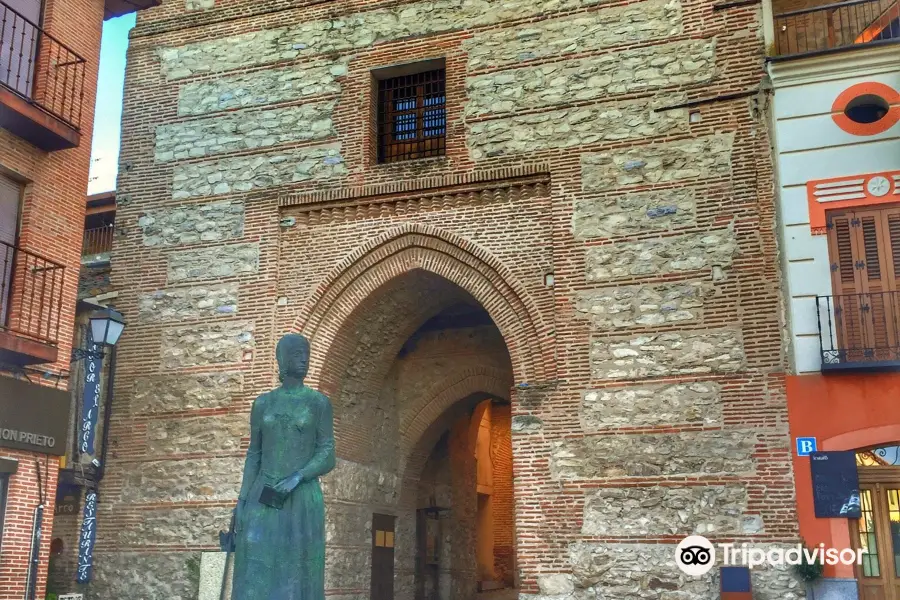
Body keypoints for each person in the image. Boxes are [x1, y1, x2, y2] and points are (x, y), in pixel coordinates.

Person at [230, 333, 336, 600]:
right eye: (298, 354)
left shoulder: (318, 403)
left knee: (297, 567)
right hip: (262, 493)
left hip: (301, 497)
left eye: (306, 354)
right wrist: (242, 501)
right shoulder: (263, 403)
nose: (304, 359)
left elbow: (328, 452)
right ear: (283, 358)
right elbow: (254, 454)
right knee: (254, 555)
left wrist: (298, 476)